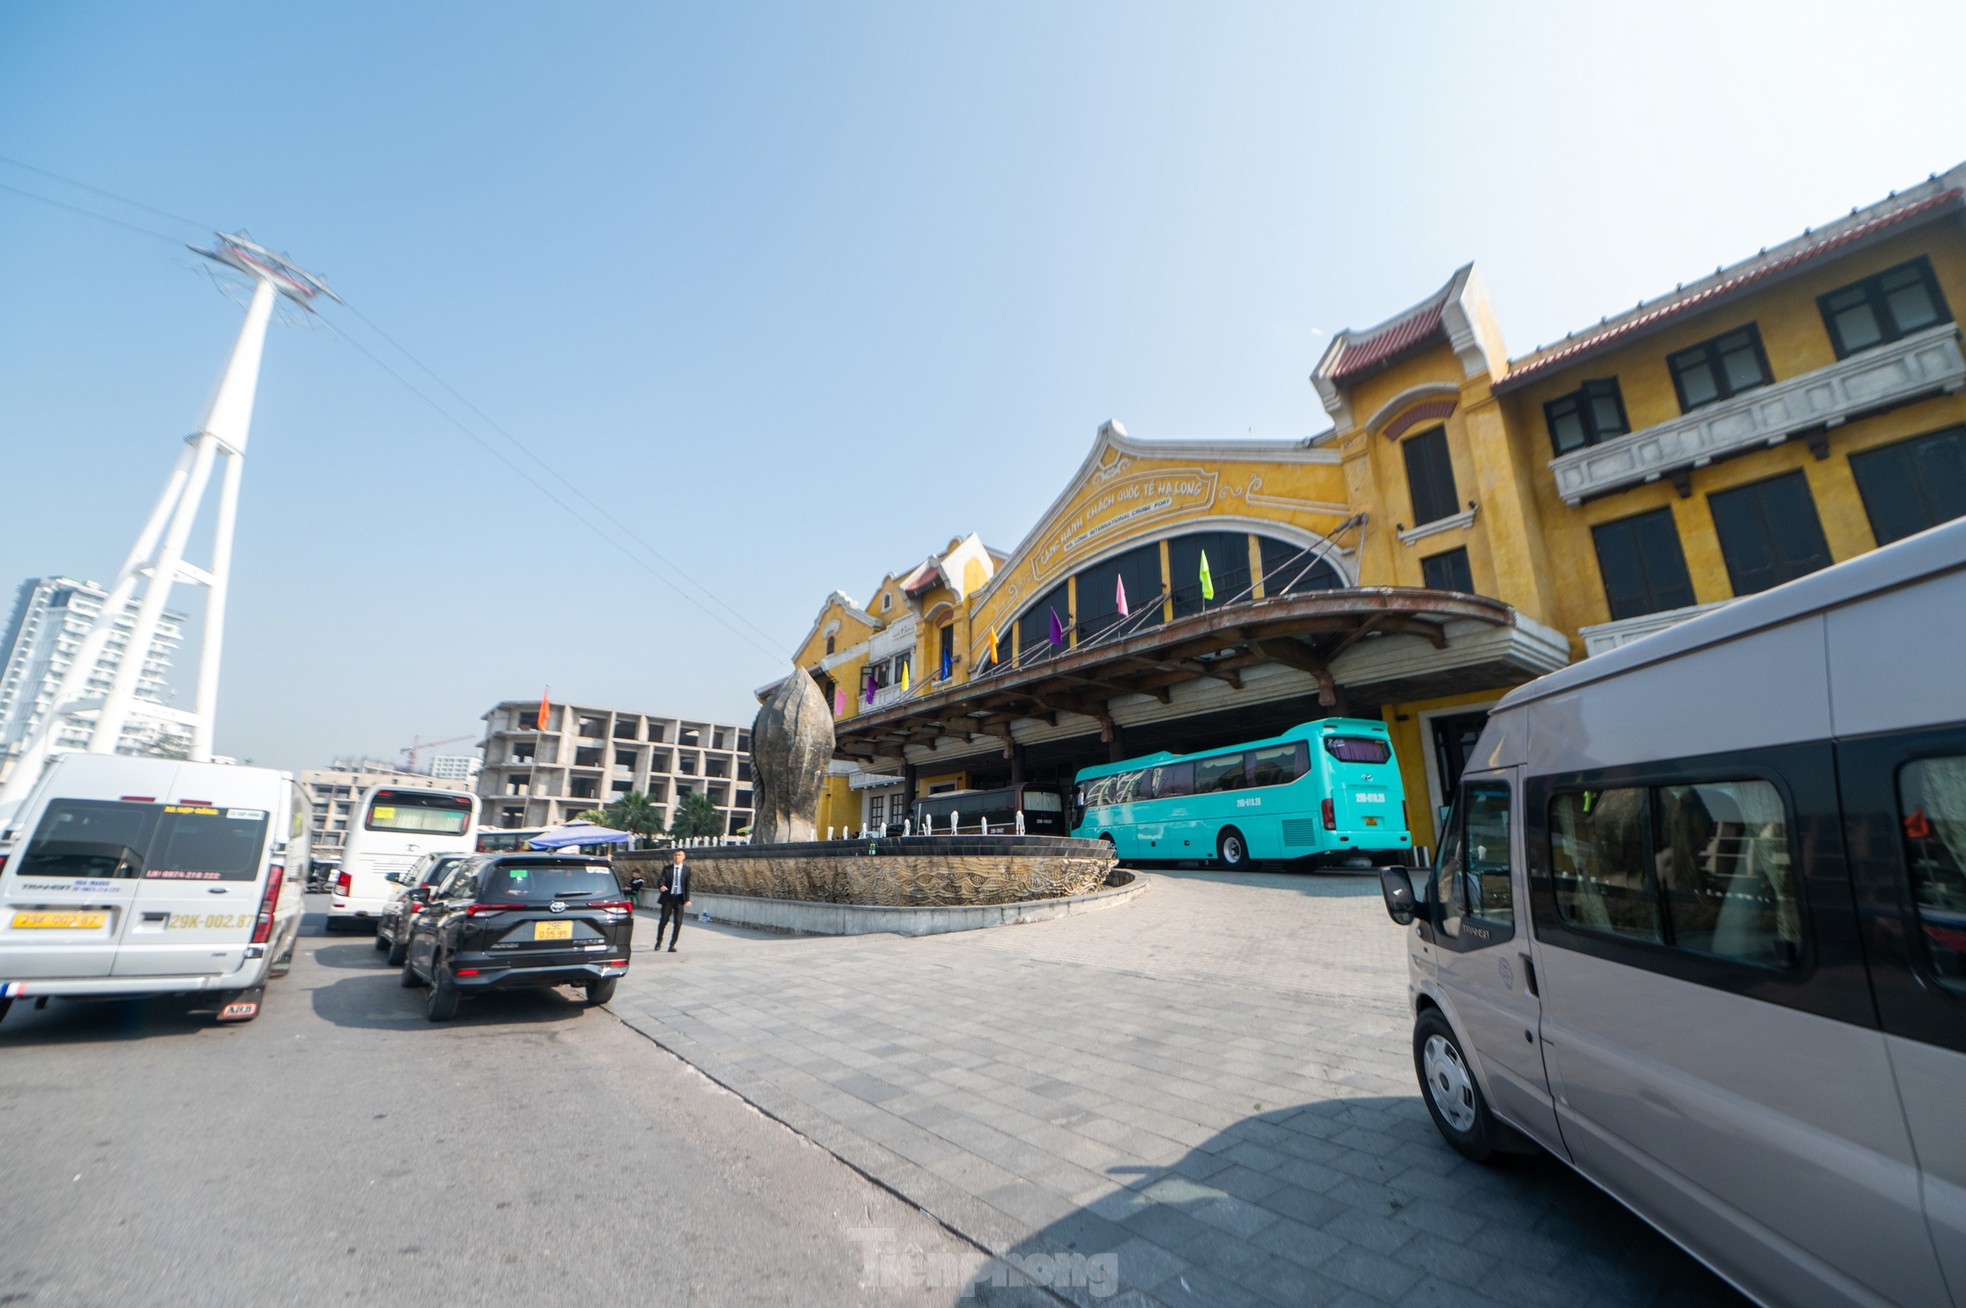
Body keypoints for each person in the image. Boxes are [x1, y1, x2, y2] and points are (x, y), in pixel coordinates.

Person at [655, 847, 691, 952]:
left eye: (679, 855)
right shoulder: (667, 868)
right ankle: (659, 941)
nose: (677, 857)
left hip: (679, 898)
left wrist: (687, 899)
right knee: (663, 921)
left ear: (683, 857)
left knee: (678, 922)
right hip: (668, 898)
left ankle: (672, 944)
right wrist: (661, 886)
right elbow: (661, 880)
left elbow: (687, 886)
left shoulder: (687, 870)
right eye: (675, 855)